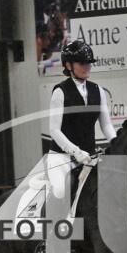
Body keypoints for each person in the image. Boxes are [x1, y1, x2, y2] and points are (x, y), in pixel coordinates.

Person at [45, 40, 116, 200]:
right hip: (62, 159)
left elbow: (106, 125)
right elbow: (54, 130)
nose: (87, 67)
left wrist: (117, 142)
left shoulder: (98, 90)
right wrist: (75, 152)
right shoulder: (60, 92)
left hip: (90, 157)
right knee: (61, 192)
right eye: (82, 63)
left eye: (89, 63)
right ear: (69, 65)